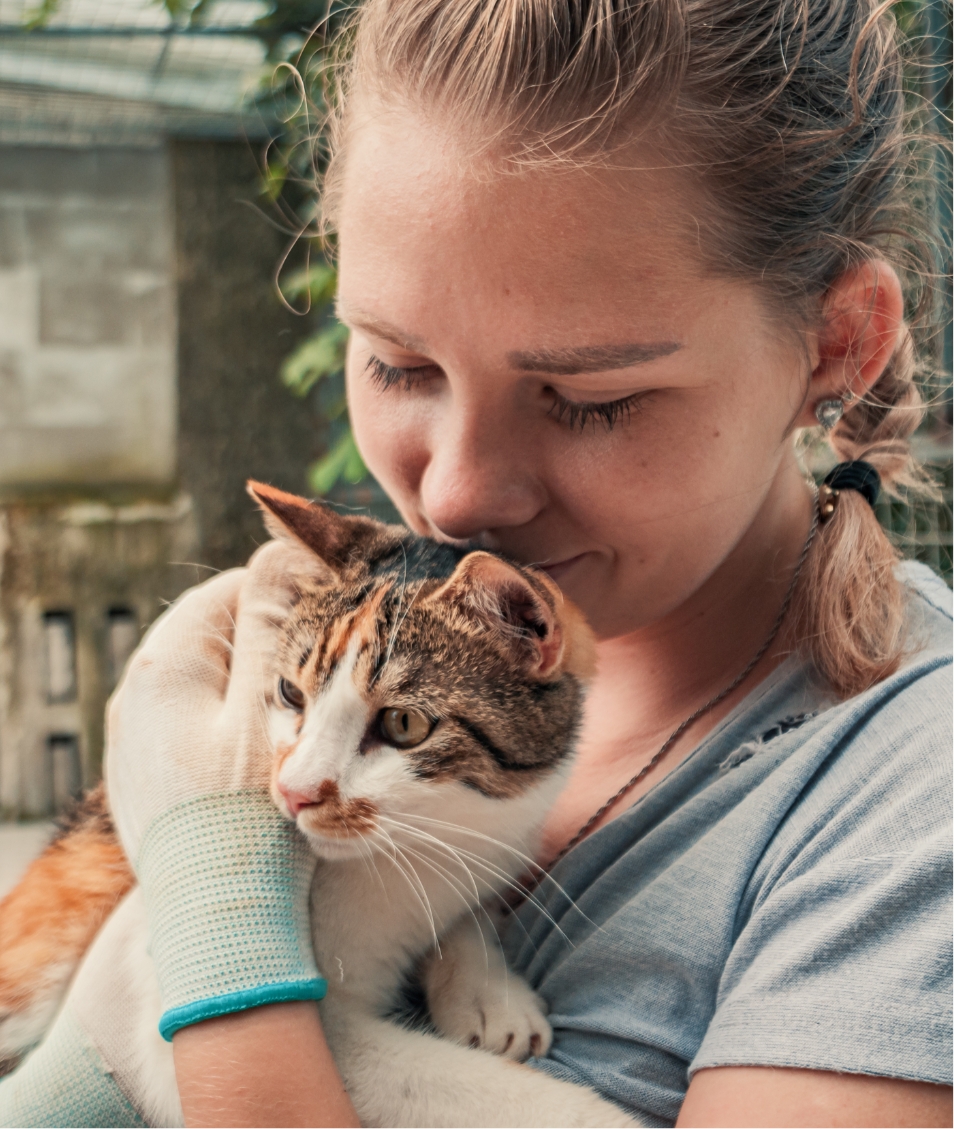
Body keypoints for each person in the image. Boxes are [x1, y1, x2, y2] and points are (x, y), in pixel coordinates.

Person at [1, 0, 950, 1126]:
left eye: (590, 399)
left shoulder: (909, 802)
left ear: (837, 343)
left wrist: (216, 912)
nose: (453, 493)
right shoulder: (390, 625)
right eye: (399, 363)